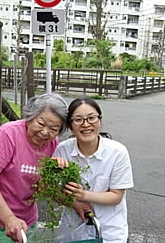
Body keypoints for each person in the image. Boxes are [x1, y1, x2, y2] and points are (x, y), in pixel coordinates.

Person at [0, 93, 69, 242]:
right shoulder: (9, 134)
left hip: (27, 220)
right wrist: (9, 218)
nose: (45, 132)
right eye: (41, 124)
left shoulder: (52, 143)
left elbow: (40, 188)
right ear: (29, 117)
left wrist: (52, 172)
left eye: (54, 129)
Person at [53, 97, 134, 243]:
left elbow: (116, 196)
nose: (86, 124)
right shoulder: (62, 150)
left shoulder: (117, 152)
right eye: (78, 120)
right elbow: (54, 191)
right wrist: (72, 201)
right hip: (73, 232)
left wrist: (82, 194)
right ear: (70, 126)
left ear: (100, 121)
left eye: (91, 118)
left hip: (109, 233)